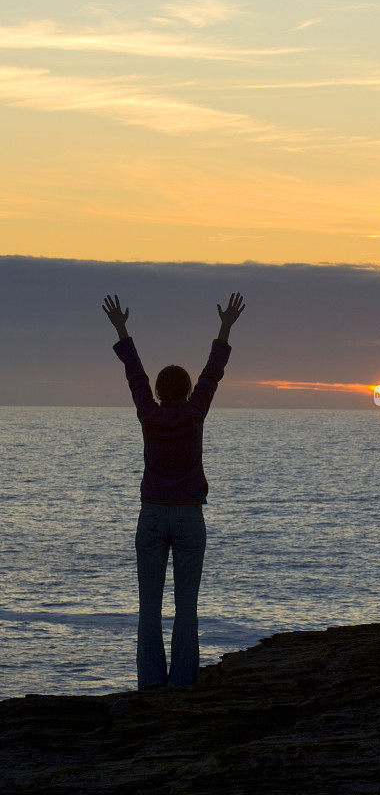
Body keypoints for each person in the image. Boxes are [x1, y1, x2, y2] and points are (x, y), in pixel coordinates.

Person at [102, 292, 245, 689]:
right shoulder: (195, 411)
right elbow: (212, 373)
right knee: (186, 608)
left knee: (149, 609)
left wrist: (121, 328)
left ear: (161, 392)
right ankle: (182, 684)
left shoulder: (148, 413)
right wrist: (226, 325)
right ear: (185, 390)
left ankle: (150, 685)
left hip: (151, 516)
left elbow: (135, 374)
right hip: (187, 516)